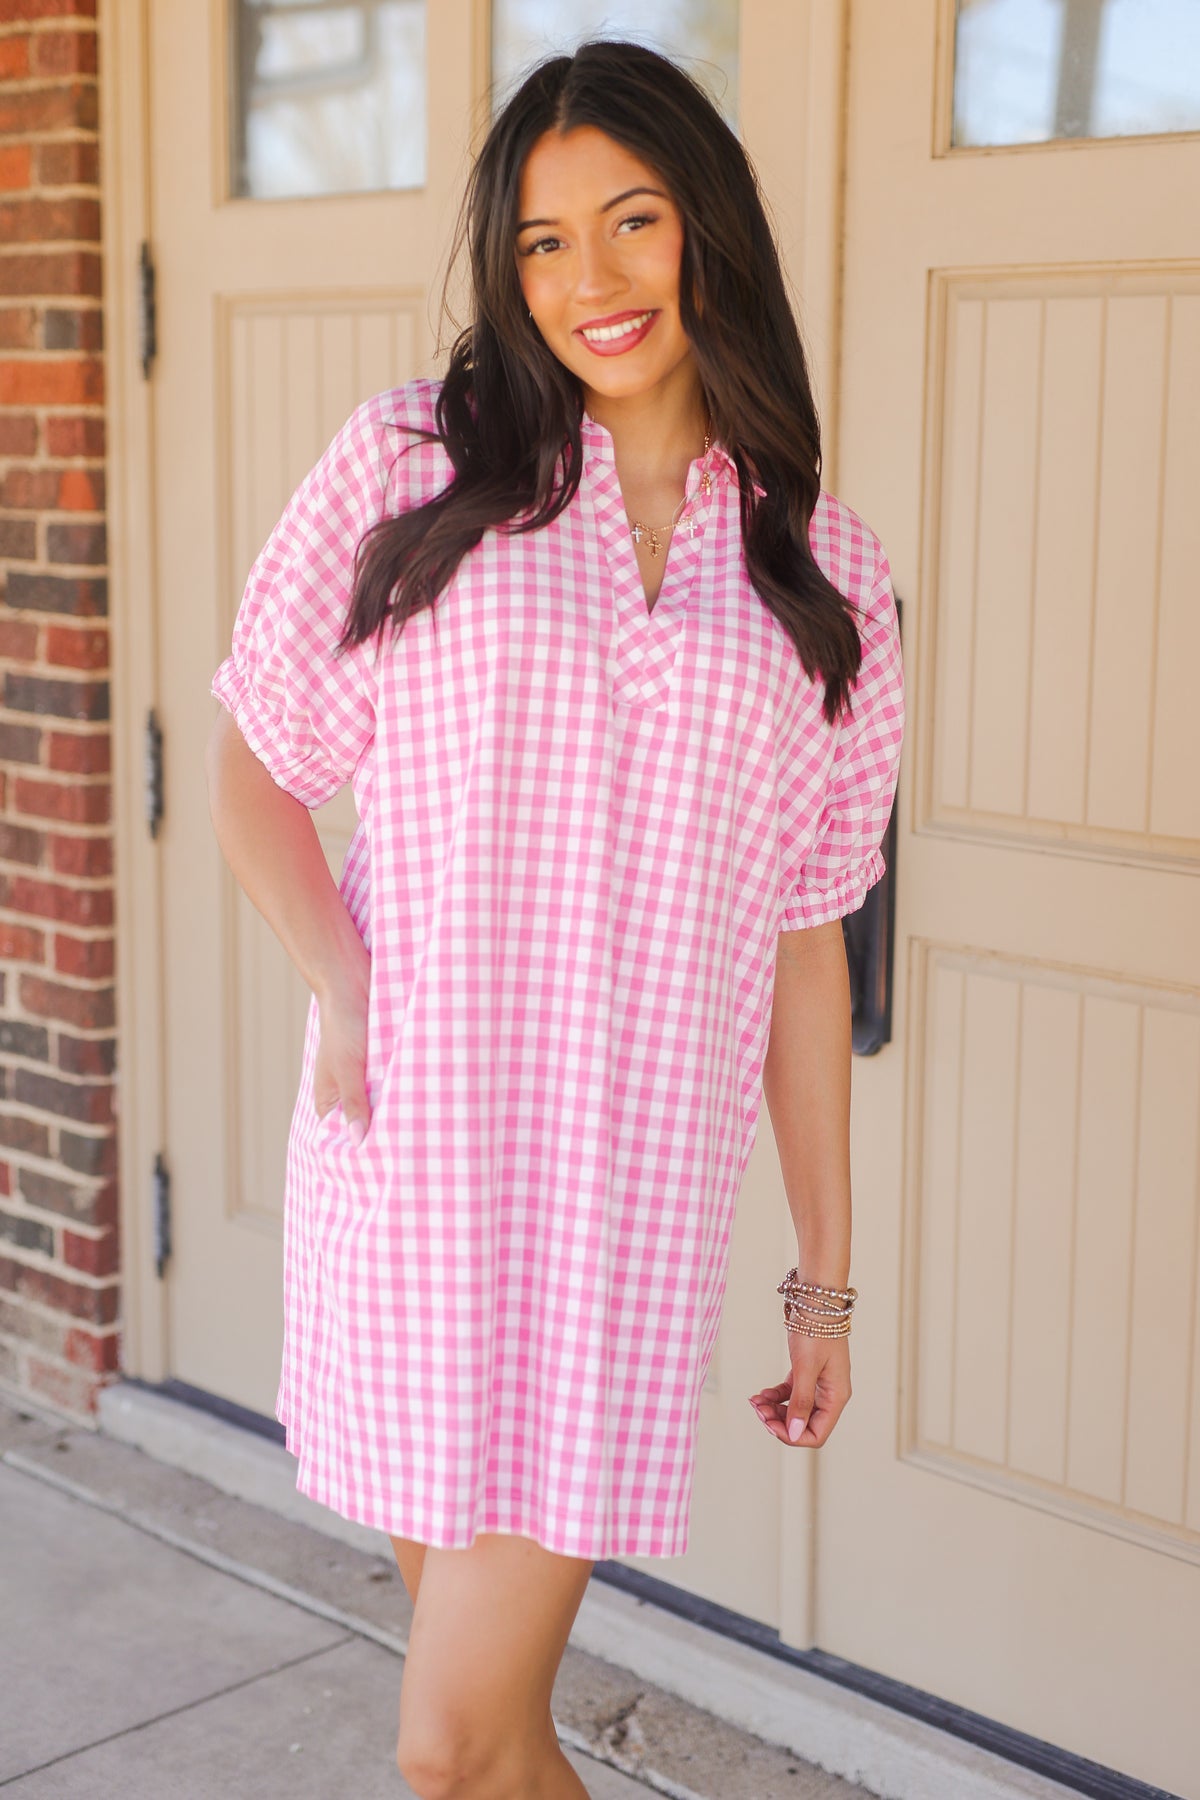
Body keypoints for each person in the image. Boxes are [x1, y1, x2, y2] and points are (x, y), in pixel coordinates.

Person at [205, 37, 904, 1800]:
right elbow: (251, 772)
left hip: (620, 1217)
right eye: (539, 242)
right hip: (411, 1175)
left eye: (632, 222)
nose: (587, 280)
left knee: (447, 1749)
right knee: (492, 1747)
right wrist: (345, 996)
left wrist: (821, 1283)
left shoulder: (826, 575)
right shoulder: (414, 467)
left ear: (709, 232)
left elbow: (805, 944)